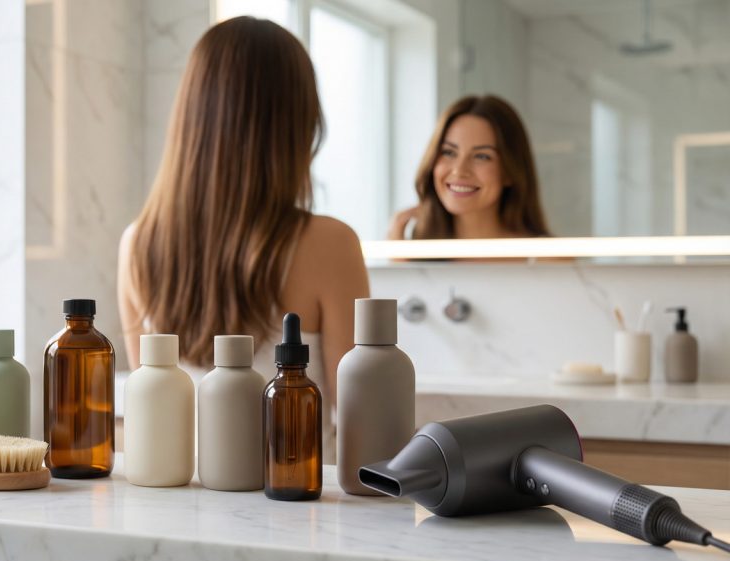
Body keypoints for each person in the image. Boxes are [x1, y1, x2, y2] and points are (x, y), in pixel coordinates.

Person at [117, 16, 369, 461]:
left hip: (178, 503)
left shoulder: (138, 244)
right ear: (297, 125)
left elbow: (153, 411)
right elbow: (362, 433)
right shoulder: (330, 244)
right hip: (294, 506)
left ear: (190, 119)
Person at [389, 95, 551, 240]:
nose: (459, 170)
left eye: (481, 156)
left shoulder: (545, 259)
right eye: (449, 152)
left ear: (510, 172)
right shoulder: (410, 252)